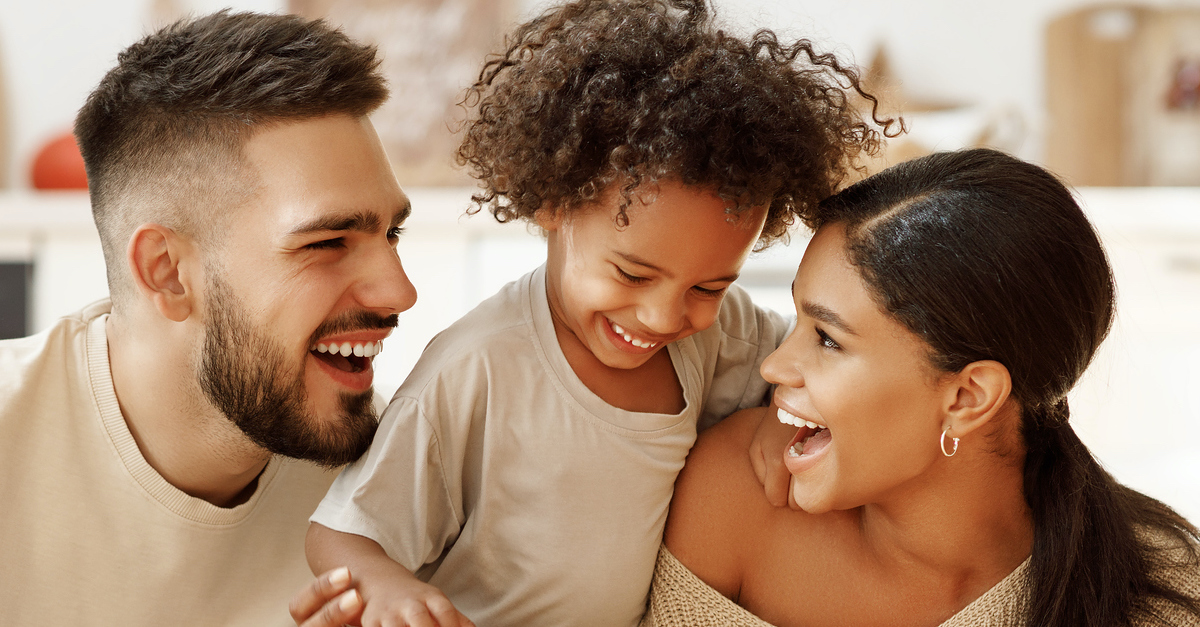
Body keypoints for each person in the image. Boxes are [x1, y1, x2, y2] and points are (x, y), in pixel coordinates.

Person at [295, 1, 895, 625]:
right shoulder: (478, 369)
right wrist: (387, 589)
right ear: (552, 204)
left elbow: (807, 372)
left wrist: (786, 416)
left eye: (710, 286)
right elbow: (341, 533)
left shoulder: (721, 334)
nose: (664, 317)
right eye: (633, 274)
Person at [643, 148, 1200, 626]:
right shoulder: (739, 491)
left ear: (967, 397)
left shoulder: (1160, 597)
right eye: (797, 322)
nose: (774, 367)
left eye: (829, 340)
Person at [0, 11, 417, 626]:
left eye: (393, 233)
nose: (399, 292)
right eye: (327, 242)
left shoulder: (402, 485)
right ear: (167, 272)